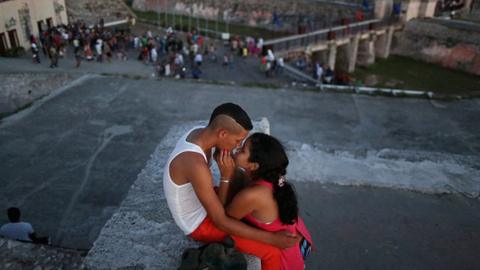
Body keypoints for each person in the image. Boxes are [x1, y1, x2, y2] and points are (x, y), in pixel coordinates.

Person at [164, 103, 300, 270]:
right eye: (237, 141)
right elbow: (220, 221)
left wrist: (228, 177)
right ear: (222, 134)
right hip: (198, 224)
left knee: (244, 187)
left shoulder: (200, 133)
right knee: (271, 251)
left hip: (206, 201)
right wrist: (272, 239)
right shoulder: (195, 164)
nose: (237, 147)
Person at [221, 133, 313, 270]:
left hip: (282, 263)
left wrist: (225, 177)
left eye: (242, 150)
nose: (237, 148)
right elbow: (240, 178)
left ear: (253, 166)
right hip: (295, 250)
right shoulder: (270, 180)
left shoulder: (253, 195)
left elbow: (222, 218)